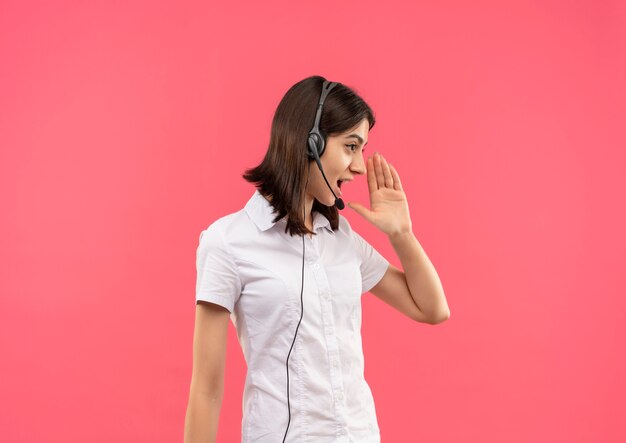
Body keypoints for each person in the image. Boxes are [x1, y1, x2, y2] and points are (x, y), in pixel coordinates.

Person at [184, 76, 450, 443]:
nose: (359, 166)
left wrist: (401, 234)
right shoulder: (227, 242)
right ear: (311, 143)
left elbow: (432, 309)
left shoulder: (343, 241)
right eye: (350, 147)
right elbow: (206, 390)